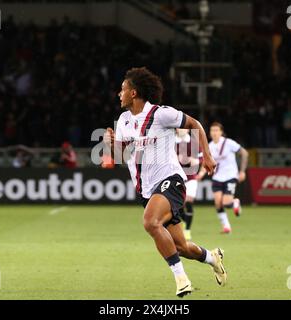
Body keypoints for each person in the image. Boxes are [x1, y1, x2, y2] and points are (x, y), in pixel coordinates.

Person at [103, 67, 226, 297]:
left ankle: (181, 280)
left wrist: (207, 155)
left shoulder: (161, 114)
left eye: (122, 89)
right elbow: (121, 156)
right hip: (146, 190)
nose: (119, 94)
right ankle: (213, 258)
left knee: (150, 222)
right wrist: (110, 144)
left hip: (170, 180)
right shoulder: (123, 121)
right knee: (182, 246)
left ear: (133, 93)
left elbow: (195, 124)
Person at [197, 122, 249, 234]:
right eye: (212, 130)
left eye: (216, 130)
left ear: (221, 132)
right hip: (217, 177)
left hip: (230, 176)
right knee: (217, 203)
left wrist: (242, 171)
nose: (214, 133)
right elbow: (205, 162)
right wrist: (201, 173)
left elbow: (244, 153)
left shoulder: (229, 143)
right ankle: (226, 226)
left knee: (226, 203)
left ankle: (235, 202)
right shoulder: (209, 146)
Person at [175, 128, 203, 240]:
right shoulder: (171, 142)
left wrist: (195, 160)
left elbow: (201, 156)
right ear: (176, 129)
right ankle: (185, 222)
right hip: (177, 178)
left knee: (189, 201)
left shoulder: (193, 142)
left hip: (191, 177)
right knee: (179, 205)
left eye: (184, 127)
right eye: (179, 127)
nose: (181, 129)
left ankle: (187, 230)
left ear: (187, 130)